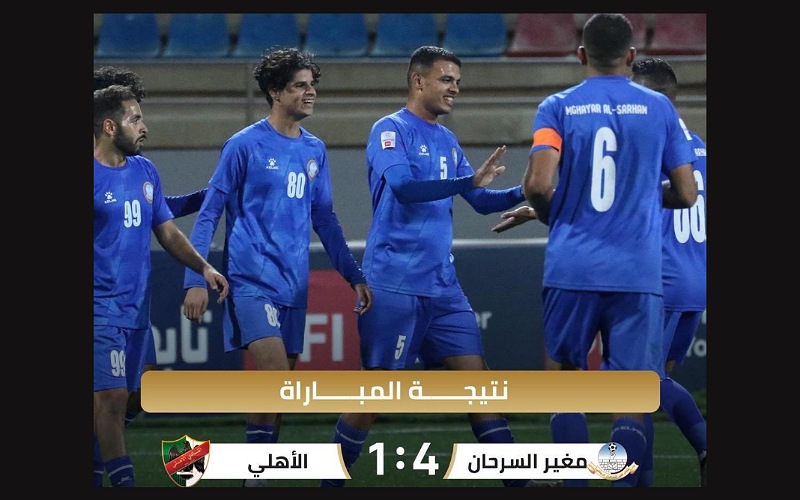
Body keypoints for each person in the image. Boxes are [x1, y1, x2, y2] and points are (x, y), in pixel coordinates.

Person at [321, 45, 553, 488]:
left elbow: (478, 200)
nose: (455, 89)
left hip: (443, 286)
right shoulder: (389, 130)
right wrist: (467, 181)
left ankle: (518, 481)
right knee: (374, 396)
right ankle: (328, 483)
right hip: (395, 284)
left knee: (477, 382)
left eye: (458, 82)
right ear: (418, 81)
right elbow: (404, 187)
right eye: (447, 79)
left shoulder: (446, 139)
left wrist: (525, 191)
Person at [497, 14, 698, 487]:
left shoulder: (557, 107)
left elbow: (539, 185)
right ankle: (619, 480)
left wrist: (562, 213)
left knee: (564, 383)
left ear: (581, 54)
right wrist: (641, 193)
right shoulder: (660, 109)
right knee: (630, 397)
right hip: (638, 272)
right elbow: (687, 193)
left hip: (572, 267)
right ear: (631, 55)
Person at [181, 47, 372, 487]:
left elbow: (325, 219)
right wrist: (196, 278)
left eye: (312, 85)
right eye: (299, 86)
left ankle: (257, 474)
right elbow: (209, 214)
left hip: (293, 286)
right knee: (275, 377)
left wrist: (354, 275)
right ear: (274, 92)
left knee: (278, 393)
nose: (310, 92)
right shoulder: (243, 145)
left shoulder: (314, 149)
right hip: (249, 281)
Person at [94, 85, 229, 487]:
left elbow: (167, 230)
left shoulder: (145, 170)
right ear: (109, 126)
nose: (144, 127)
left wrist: (204, 267)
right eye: (134, 119)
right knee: (113, 400)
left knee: (139, 395)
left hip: (137, 310)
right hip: (99, 309)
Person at [631, 57, 707, 487]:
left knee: (638, 383)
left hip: (660, 280)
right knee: (648, 389)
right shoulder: (698, 144)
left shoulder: (651, 143)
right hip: (695, 280)